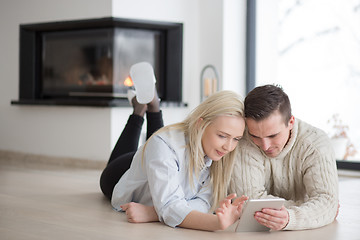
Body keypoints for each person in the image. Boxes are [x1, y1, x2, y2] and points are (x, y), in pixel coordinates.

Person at [100, 63, 248, 231]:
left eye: (236, 139)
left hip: (161, 159)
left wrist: (153, 213)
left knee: (157, 146)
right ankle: (140, 111)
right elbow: (170, 206)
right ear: (200, 125)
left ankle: (152, 107)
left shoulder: (219, 154)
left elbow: (204, 203)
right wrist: (215, 223)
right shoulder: (164, 145)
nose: (229, 146)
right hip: (120, 173)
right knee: (156, 144)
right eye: (222, 136)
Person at [228, 84, 339, 231]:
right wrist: (312, 208)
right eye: (255, 136)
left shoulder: (316, 144)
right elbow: (248, 202)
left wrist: (290, 218)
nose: (265, 145)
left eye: (273, 135)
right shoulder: (243, 140)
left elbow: (327, 201)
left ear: (291, 122)